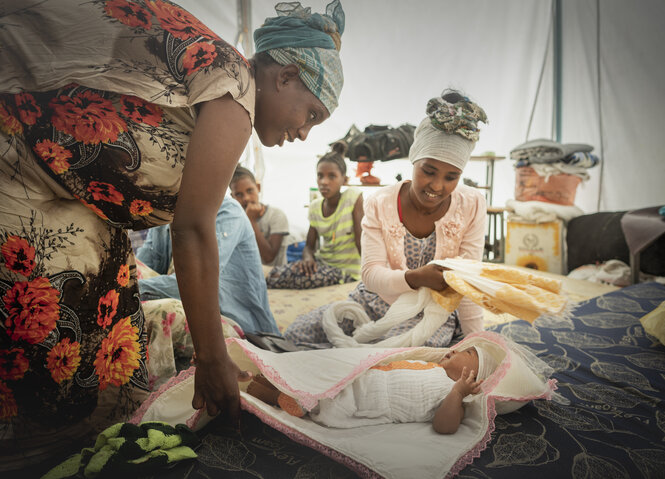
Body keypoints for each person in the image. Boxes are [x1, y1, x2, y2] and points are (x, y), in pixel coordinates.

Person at [0, 0, 345, 472]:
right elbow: (192, 230)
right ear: (284, 77)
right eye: (312, 113)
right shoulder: (236, 90)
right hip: (17, 172)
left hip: (69, 198)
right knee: (45, 336)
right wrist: (211, 358)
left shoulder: (224, 92)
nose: (304, 132)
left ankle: (97, 447)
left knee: (111, 329)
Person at [284, 90, 487, 348]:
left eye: (451, 177)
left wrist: (476, 345)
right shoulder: (380, 202)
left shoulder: (472, 204)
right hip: (373, 301)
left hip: (429, 315)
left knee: (392, 359)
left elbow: (467, 282)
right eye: (428, 171)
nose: (436, 185)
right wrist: (415, 278)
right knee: (296, 334)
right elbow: (370, 274)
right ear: (414, 159)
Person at [246, 344, 498, 434]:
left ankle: (276, 396)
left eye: (466, 353)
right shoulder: (432, 367)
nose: (453, 349)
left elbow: (444, 426)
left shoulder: (452, 395)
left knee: (328, 399)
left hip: (364, 400)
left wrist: (458, 392)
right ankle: (280, 380)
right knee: (326, 375)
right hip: (363, 379)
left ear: (475, 380)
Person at [136, 196, 280, 335]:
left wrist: (130, 290)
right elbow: (142, 267)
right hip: (194, 307)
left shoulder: (228, 212)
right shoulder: (164, 216)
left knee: (162, 315)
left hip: (239, 323)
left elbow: (195, 284)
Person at [267, 141, 364, 289]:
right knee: (277, 272)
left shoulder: (353, 198)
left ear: (344, 180)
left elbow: (361, 242)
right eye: (320, 176)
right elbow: (309, 246)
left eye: (332, 176)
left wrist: (369, 276)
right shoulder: (315, 207)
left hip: (346, 272)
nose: (324, 182)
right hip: (321, 264)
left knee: (291, 280)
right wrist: (307, 259)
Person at [229, 166, 291, 267]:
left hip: (273, 274)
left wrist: (251, 221)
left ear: (258, 188)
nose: (246, 198)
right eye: (239, 194)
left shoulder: (276, 215)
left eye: (250, 191)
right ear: (233, 197)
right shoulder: (234, 219)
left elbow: (269, 257)